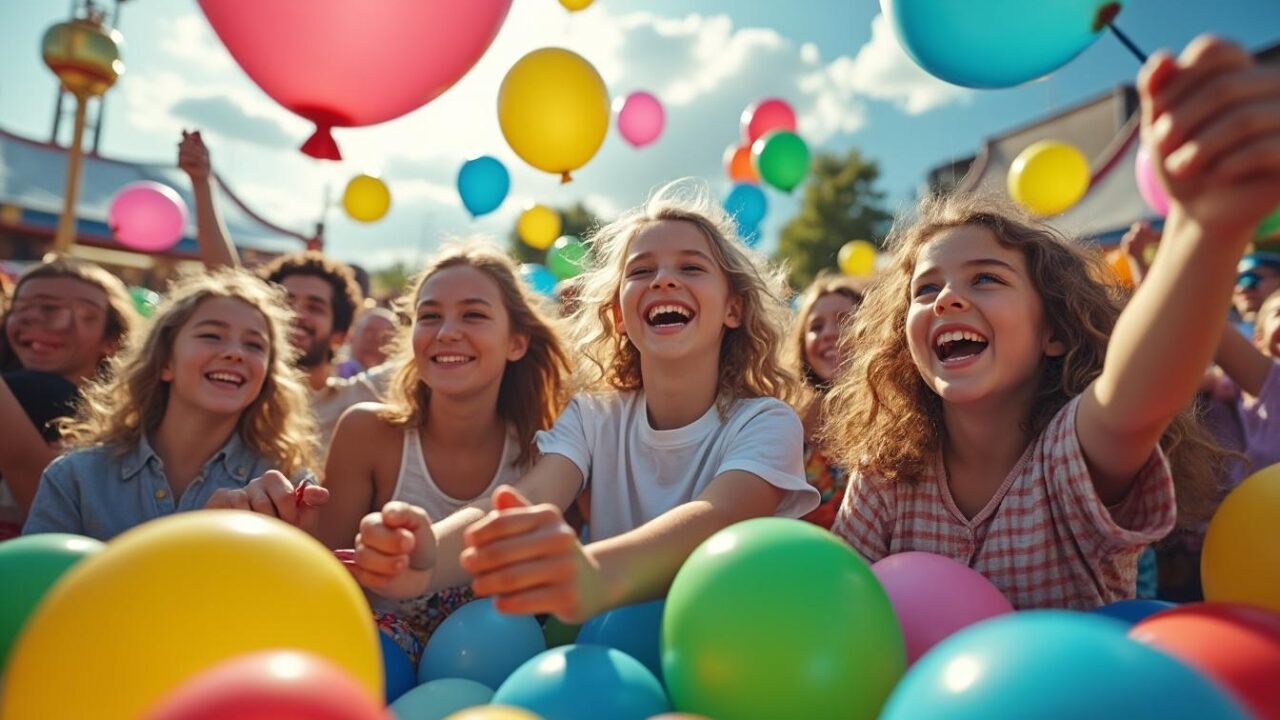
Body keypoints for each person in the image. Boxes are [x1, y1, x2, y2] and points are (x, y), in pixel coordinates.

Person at [824, 36, 1278, 609]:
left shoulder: (1070, 457)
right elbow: (841, 606)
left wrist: (1205, 226)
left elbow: (1140, 390)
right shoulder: (885, 476)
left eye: (985, 278)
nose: (947, 299)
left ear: (1055, 333)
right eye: (927, 288)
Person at [348, 180, 820, 623]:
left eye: (691, 267)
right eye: (641, 271)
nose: (663, 281)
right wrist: (428, 554)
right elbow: (530, 498)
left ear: (733, 308)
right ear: (618, 315)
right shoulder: (592, 417)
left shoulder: (767, 422)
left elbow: (718, 517)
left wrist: (596, 573)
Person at [212, 243, 572, 658]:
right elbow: (329, 575)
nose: (446, 332)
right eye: (429, 316)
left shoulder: (547, 446)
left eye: (473, 314)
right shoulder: (367, 432)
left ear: (517, 343)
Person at [22, 268, 318, 541]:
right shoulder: (75, 477)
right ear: (165, 362)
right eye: (212, 336)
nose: (235, 353)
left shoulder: (289, 488)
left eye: (254, 345)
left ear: (267, 376)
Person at [179, 130, 382, 452]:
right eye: (285, 302)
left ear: (340, 335)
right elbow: (226, 280)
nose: (296, 313)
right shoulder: (239, 393)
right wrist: (202, 183)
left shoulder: (360, 400)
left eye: (315, 306)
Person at [0, 258, 140, 536]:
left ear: (113, 339)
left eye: (56, 309)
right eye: (22, 307)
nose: (35, 318)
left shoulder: (134, 430)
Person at [788, 272, 863, 529]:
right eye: (816, 327)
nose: (829, 333)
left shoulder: (906, 422)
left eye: (845, 320)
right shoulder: (785, 423)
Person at [337, 307, 398, 378]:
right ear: (351, 335)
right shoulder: (332, 372)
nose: (374, 340)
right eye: (369, 332)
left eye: (383, 337)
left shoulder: (394, 379)